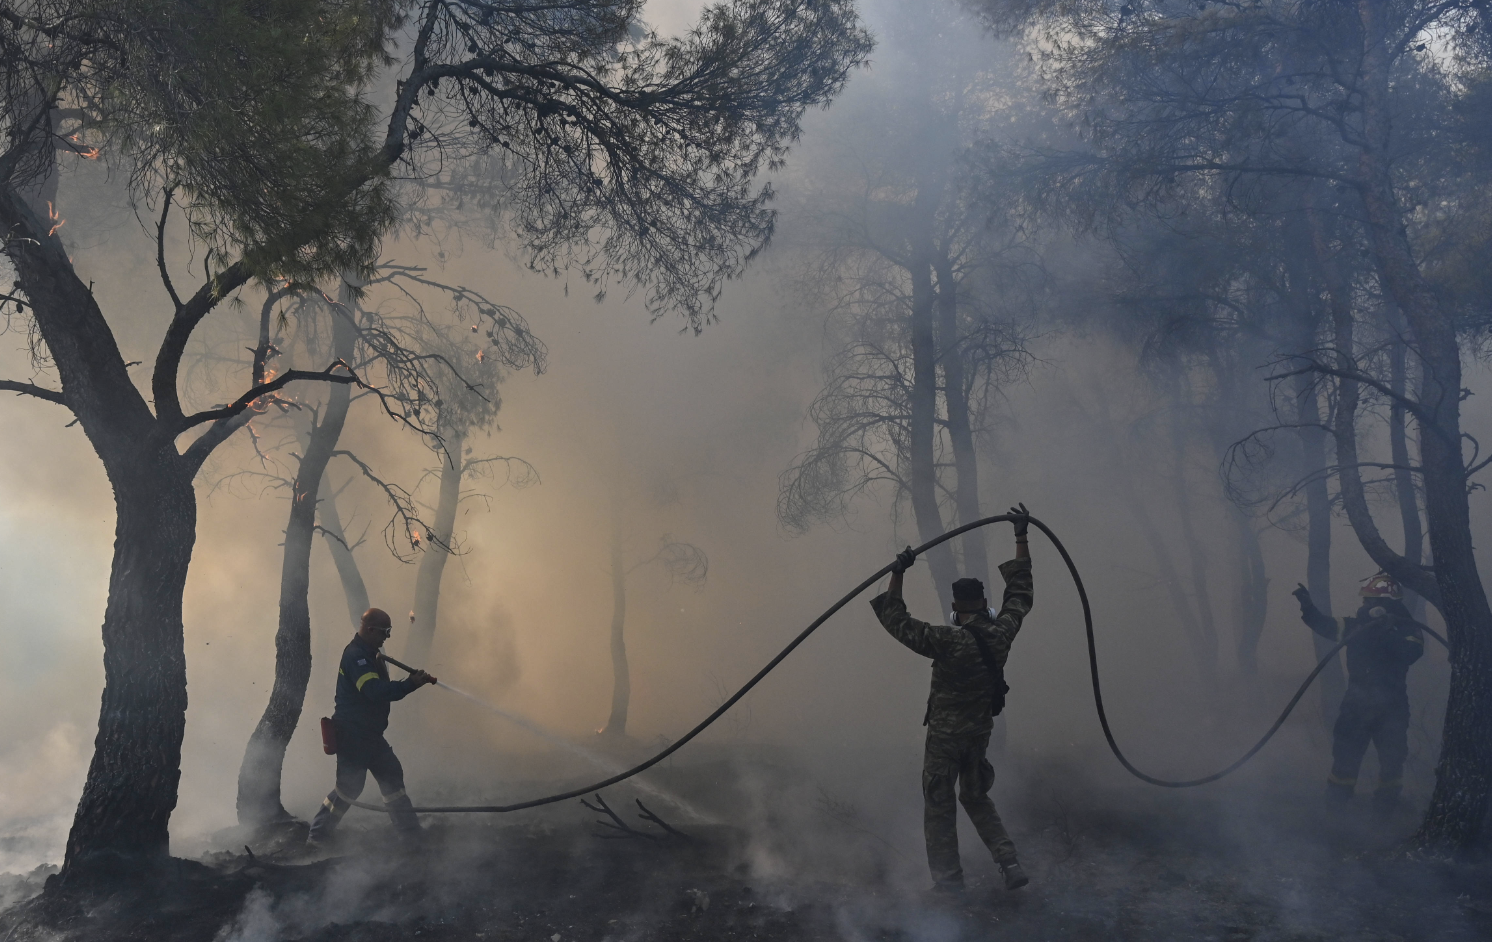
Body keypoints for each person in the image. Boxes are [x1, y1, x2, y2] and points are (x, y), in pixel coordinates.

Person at [869, 505, 1035, 894]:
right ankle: (1009, 862)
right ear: (985, 605)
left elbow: (897, 621)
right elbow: (1021, 592)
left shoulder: (947, 640)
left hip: (945, 739)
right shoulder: (1002, 632)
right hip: (979, 734)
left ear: (956, 609)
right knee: (976, 798)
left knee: (940, 805)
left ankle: (948, 883)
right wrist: (1021, 535)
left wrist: (898, 572)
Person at [1292, 573, 1425, 813]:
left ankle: (1386, 810)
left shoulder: (1408, 628)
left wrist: (1386, 632)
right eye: (1365, 601)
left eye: (1372, 602)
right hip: (1357, 702)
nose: (1366, 606)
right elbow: (1326, 625)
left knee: (1392, 759)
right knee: (1345, 755)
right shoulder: (1355, 627)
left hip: (1392, 705)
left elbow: (1412, 652)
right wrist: (1308, 608)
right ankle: (1336, 808)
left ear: (1388, 605)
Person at [307, 607, 437, 848]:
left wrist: (411, 683)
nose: (387, 637)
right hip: (353, 735)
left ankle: (410, 834)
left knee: (392, 777)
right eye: (385, 632)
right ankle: (318, 836)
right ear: (370, 629)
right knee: (348, 788)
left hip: (370, 735)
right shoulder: (356, 657)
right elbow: (374, 692)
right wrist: (410, 684)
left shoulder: (369, 654)